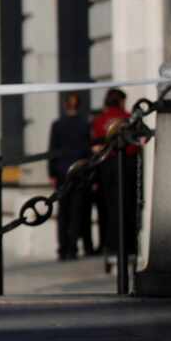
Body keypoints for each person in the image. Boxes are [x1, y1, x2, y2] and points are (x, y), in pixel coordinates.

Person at [92, 88, 139, 270]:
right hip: (126, 165)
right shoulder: (128, 118)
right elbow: (135, 145)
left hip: (107, 167)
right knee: (128, 207)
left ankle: (111, 249)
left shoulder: (99, 121)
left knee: (109, 208)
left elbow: (96, 146)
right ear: (120, 101)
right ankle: (129, 249)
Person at [48, 93, 95, 260]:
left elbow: (52, 149)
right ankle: (72, 248)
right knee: (77, 211)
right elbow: (88, 151)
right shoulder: (85, 124)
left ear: (65, 105)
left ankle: (62, 248)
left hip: (62, 171)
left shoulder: (57, 125)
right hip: (80, 171)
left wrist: (52, 172)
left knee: (63, 212)